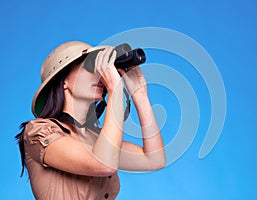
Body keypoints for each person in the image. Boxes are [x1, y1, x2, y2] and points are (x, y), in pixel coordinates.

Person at [15, 41, 166, 199]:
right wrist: (115, 89)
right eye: (89, 66)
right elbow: (103, 164)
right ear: (64, 80)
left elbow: (154, 159)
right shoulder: (38, 132)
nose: (99, 74)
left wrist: (140, 95)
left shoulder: (97, 139)